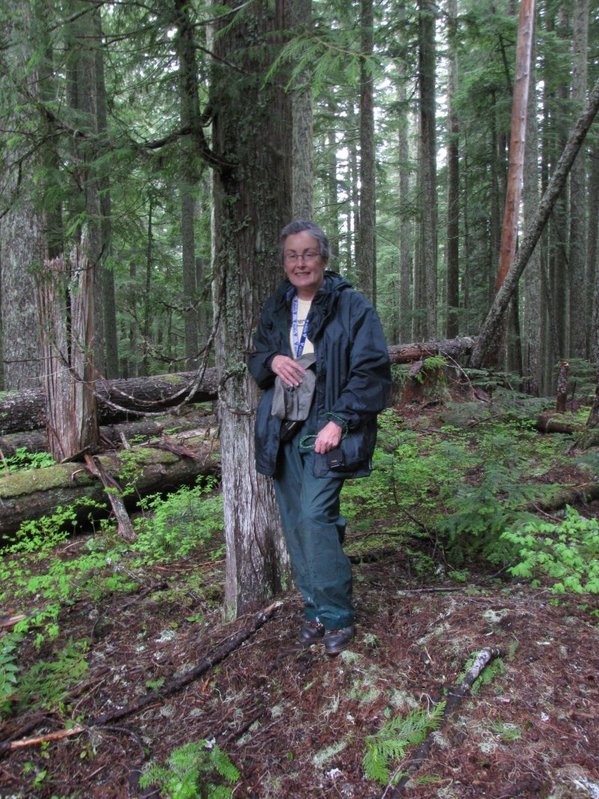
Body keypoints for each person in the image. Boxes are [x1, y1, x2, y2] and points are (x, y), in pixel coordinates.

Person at [248, 219, 391, 655]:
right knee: (295, 522)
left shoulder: (353, 307)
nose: (300, 263)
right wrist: (272, 360)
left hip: (325, 428)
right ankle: (313, 608)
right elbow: (255, 357)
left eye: (308, 254)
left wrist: (340, 421)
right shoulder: (278, 305)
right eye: (292, 255)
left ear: (324, 259)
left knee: (315, 516)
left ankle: (336, 615)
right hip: (282, 428)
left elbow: (372, 372)